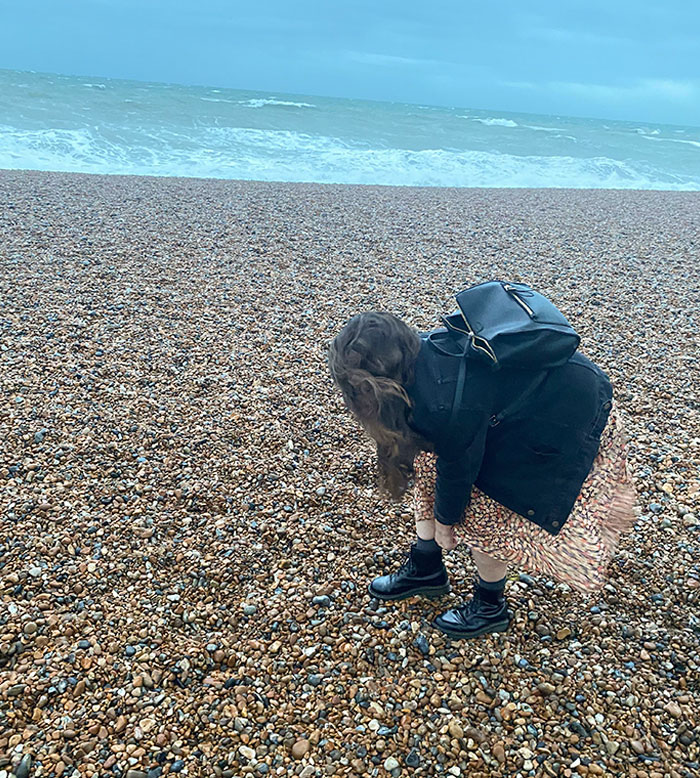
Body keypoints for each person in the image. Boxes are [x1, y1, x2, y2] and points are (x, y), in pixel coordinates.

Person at [328, 311, 636, 639]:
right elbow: (446, 449)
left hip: (567, 409)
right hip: (515, 402)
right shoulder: (417, 360)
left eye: (356, 391)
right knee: (430, 465)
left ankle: (490, 606)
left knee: (485, 511)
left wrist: (447, 523)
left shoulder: (443, 403)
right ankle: (426, 567)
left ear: (377, 385)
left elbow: (459, 467)